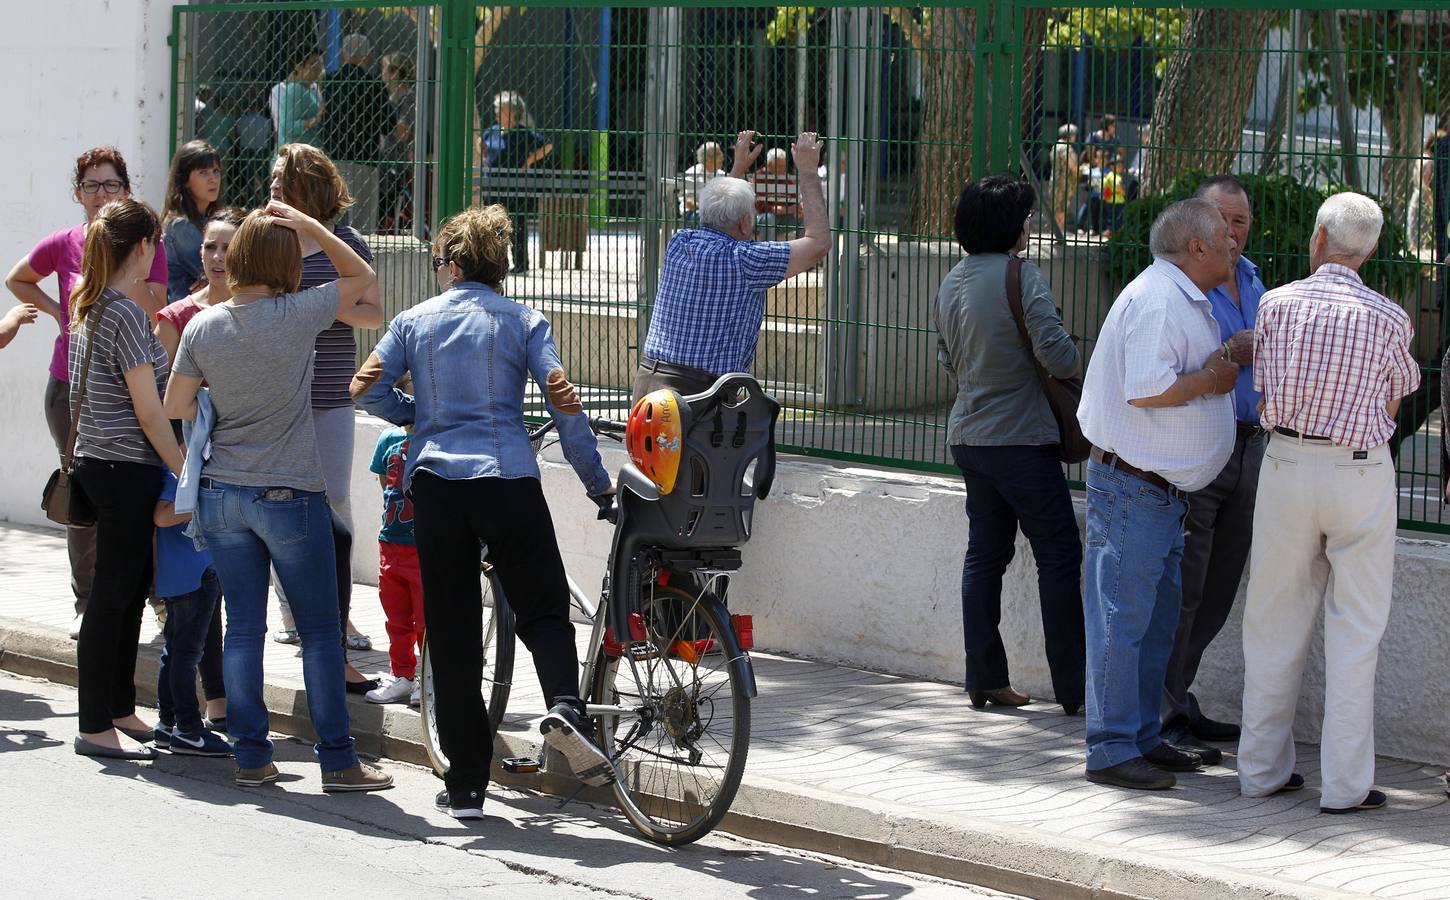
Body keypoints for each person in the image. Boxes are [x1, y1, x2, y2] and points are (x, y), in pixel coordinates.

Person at [351, 204, 616, 820]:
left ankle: (467, 783)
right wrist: (596, 484)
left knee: (451, 628)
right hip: (509, 480)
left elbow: (363, 387)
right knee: (545, 608)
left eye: (438, 261)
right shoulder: (525, 321)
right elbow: (563, 403)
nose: (436, 270)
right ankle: (565, 709)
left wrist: (415, 417)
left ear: (455, 264)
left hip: (439, 487)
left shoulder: (413, 321)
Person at [162, 202, 392, 792]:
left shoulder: (201, 325)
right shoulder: (297, 311)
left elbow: (176, 406)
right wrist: (315, 228)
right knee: (319, 632)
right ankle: (338, 761)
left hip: (221, 494)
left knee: (242, 629)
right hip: (290, 491)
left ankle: (252, 756)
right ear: (286, 263)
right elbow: (363, 278)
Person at [1238, 192, 1420, 815]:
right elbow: (1398, 399)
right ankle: (1345, 787)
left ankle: (1260, 772)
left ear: (1318, 237)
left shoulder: (1276, 304)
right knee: (1357, 630)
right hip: (1360, 472)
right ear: (1369, 251)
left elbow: (1263, 385)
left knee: (1270, 621)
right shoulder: (1391, 318)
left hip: (1286, 464)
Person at [1075, 197, 1239, 790]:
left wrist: (1221, 361)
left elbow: (1172, 375)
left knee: (1152, 622)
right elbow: (1148, 388)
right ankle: (1112, 747)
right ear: (1195, 246)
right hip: (1134, 489)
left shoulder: (1179, 296)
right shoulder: (1158, 299)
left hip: (1158, 495)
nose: (1233, 243)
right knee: (1123, 620)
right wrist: (1216, 377)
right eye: (1223, 235)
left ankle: (1143, 736)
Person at [933, 176, 1084, 715]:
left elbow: (948, 361)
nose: (1029, 225)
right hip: (1022, 438)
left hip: (969, 435)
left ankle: (987, 678)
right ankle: (1076, 689)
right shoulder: (1023, 275)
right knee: (1060, 556)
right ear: (1010, 225)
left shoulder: (950, 281)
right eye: (1024, 216)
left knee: (985, 557)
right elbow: (1060, 357)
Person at [5, 146, 169, 638]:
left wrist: (116, 273)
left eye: (112, 184)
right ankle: (87, 603)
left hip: (131, 385)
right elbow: (18, 279)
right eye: (93, 185)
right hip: (70, 390)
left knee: (144, 500)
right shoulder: (62, 242)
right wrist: (61, 313)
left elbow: (156, 305)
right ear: (77, 193)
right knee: (83, 496)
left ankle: (155, 602)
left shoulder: (145, 245)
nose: (102, 194)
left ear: (126, 190)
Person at [66, 199, 184, 762]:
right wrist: (183, 466)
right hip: (124, 469)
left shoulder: (91, 306)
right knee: (113, 598)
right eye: (155, 243)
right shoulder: (124, 313)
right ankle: (93, 726)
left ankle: (117, 708)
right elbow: (149, 410)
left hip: (98, 464)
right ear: (142, 246)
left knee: (131, 590)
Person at [266, 143, 382, 685]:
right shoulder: (267, 243)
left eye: (281, 183)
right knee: (282, 501)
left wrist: (322, 303)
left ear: (307, 190)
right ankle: (289, 608)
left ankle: (337, 614)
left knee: (334, 501)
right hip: (277, 396)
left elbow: (372, 314)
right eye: (270, 182)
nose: (271, 191)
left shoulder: (345, 246)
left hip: (333, 394)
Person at [1159, 175, 1265, 764]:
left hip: (1249, 447)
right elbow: (1161, 376)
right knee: (1186, 586)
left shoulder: (1252, 279)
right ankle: (1161, 712)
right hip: (1200, 447)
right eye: (1222, 219)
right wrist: (1230, 353)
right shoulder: (1178, 288)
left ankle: (1177, 698)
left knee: (1220, 587)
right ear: (1197, 225)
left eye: (1242, 221)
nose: (1232, 231)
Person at [634, 130, 829, 402]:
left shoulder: (680, 243)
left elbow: (719, 210)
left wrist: (738, 168)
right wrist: (809, 172)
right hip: (700, 395)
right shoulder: (746, 259)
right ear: (746, 223)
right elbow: (819, 243)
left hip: (649, 386)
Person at [154, 206, 245, 732]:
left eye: (227, 247)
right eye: (209, 246)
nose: (215, 257)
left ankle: (222, 700)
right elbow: (161, 407)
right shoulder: (178, 318)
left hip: (245, 470)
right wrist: (182, 467)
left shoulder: (262, 312)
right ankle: (208, 705)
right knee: (199, 597)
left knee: (232, 591)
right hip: (190, 473)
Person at [151, 468, 234, 756]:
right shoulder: (180, 473)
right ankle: (187, 729)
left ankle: (167, 723)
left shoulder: (180, 471)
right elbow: (162, 516)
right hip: (195, 575)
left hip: (186, 575)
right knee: (185, 655)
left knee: (174, 652)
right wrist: (205, 501)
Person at [364, 393, 424, 707]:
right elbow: (382, 481)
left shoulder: (435, 434)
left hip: (424, 549)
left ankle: (428, 681)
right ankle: (402, 676)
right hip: (391, 543)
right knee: (396, 618)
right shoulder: (388, 436)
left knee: (427, 619)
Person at [323, 34, 391, 235]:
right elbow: (387, 124)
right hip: (365, 157)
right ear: (367, 57)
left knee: (335, 213)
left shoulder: (330, 82)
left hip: (334, 157)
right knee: (363, 219)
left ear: (343, 55)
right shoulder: (375, 85)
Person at [480, 91, 553, 273]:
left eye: (500, 109)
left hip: (516, 187)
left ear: (512, 112)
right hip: (494, 186)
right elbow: (481, 143)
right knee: (494, 226)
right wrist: (485, 158)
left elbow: (548, 145)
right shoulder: (492, 132)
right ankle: (497, 264)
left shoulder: (524, 133)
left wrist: (528, 161)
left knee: (517, 225)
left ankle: (521, 264)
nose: (496, 112)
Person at [161, 140, 225, 300]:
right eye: (203, 172)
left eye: (216, 171)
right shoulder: (181, 226)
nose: (213, 179)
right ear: (185, 181)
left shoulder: (207, 219)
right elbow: (228, 274)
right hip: (187, 316)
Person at [379, 53, 418, 233]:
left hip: (399, 163)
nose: (383, 76)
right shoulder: (392, 97)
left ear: (394, 73)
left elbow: (403, 133)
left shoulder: (407, 97)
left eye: (385, 71)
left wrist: (383, 117)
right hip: (388, 160)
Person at [269, 46, 323, 152]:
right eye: (313, 64)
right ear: (298, 67)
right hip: (292, 153)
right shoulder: (285, 90)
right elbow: (283, 126)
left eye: (320, 63)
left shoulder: (314, 88)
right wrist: (312, 121)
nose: (319, 68)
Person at [753, 148, 800, 240]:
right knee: (769, 218)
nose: (782, 169)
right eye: (779, 166)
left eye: (783, 166)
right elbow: (759, 205)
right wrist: (775, 209)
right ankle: (766, 251)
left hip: (781, 218)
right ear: (769, 165)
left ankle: (804, 251)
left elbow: (794, 199)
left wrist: (797, 208)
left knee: (804, 218)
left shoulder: (786, 178)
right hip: (762, 218)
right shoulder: (760, 177)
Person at [680, 141, 726, 224]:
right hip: (693, 213)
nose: (722, 157)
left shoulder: (722, 175)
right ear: (707, 159)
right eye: (718, 154)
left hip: (716, 214)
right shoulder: (693, 174)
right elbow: (688, 203)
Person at [1049, 124, 1079, 232]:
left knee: (1057, 206)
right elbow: (1073, 165)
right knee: (1061, 208)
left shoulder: (1056, 146)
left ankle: (1057, 231)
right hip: (1064, 182)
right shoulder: (1066, 148)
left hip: (1055, 179)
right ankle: (1059, 231)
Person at [1100, 154, 1128, 237]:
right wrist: (1123, 192)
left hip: (1109, 200)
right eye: (1118, 166)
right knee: (1119, 218)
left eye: (1121, 166)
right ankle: (1113, 232)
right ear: (1112, 167)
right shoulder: (1117, 177)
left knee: (1110, 218)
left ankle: (1109, 231)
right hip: (1118, 201)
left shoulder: (1108, 175)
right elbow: (1118, 185)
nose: (1121, 167)